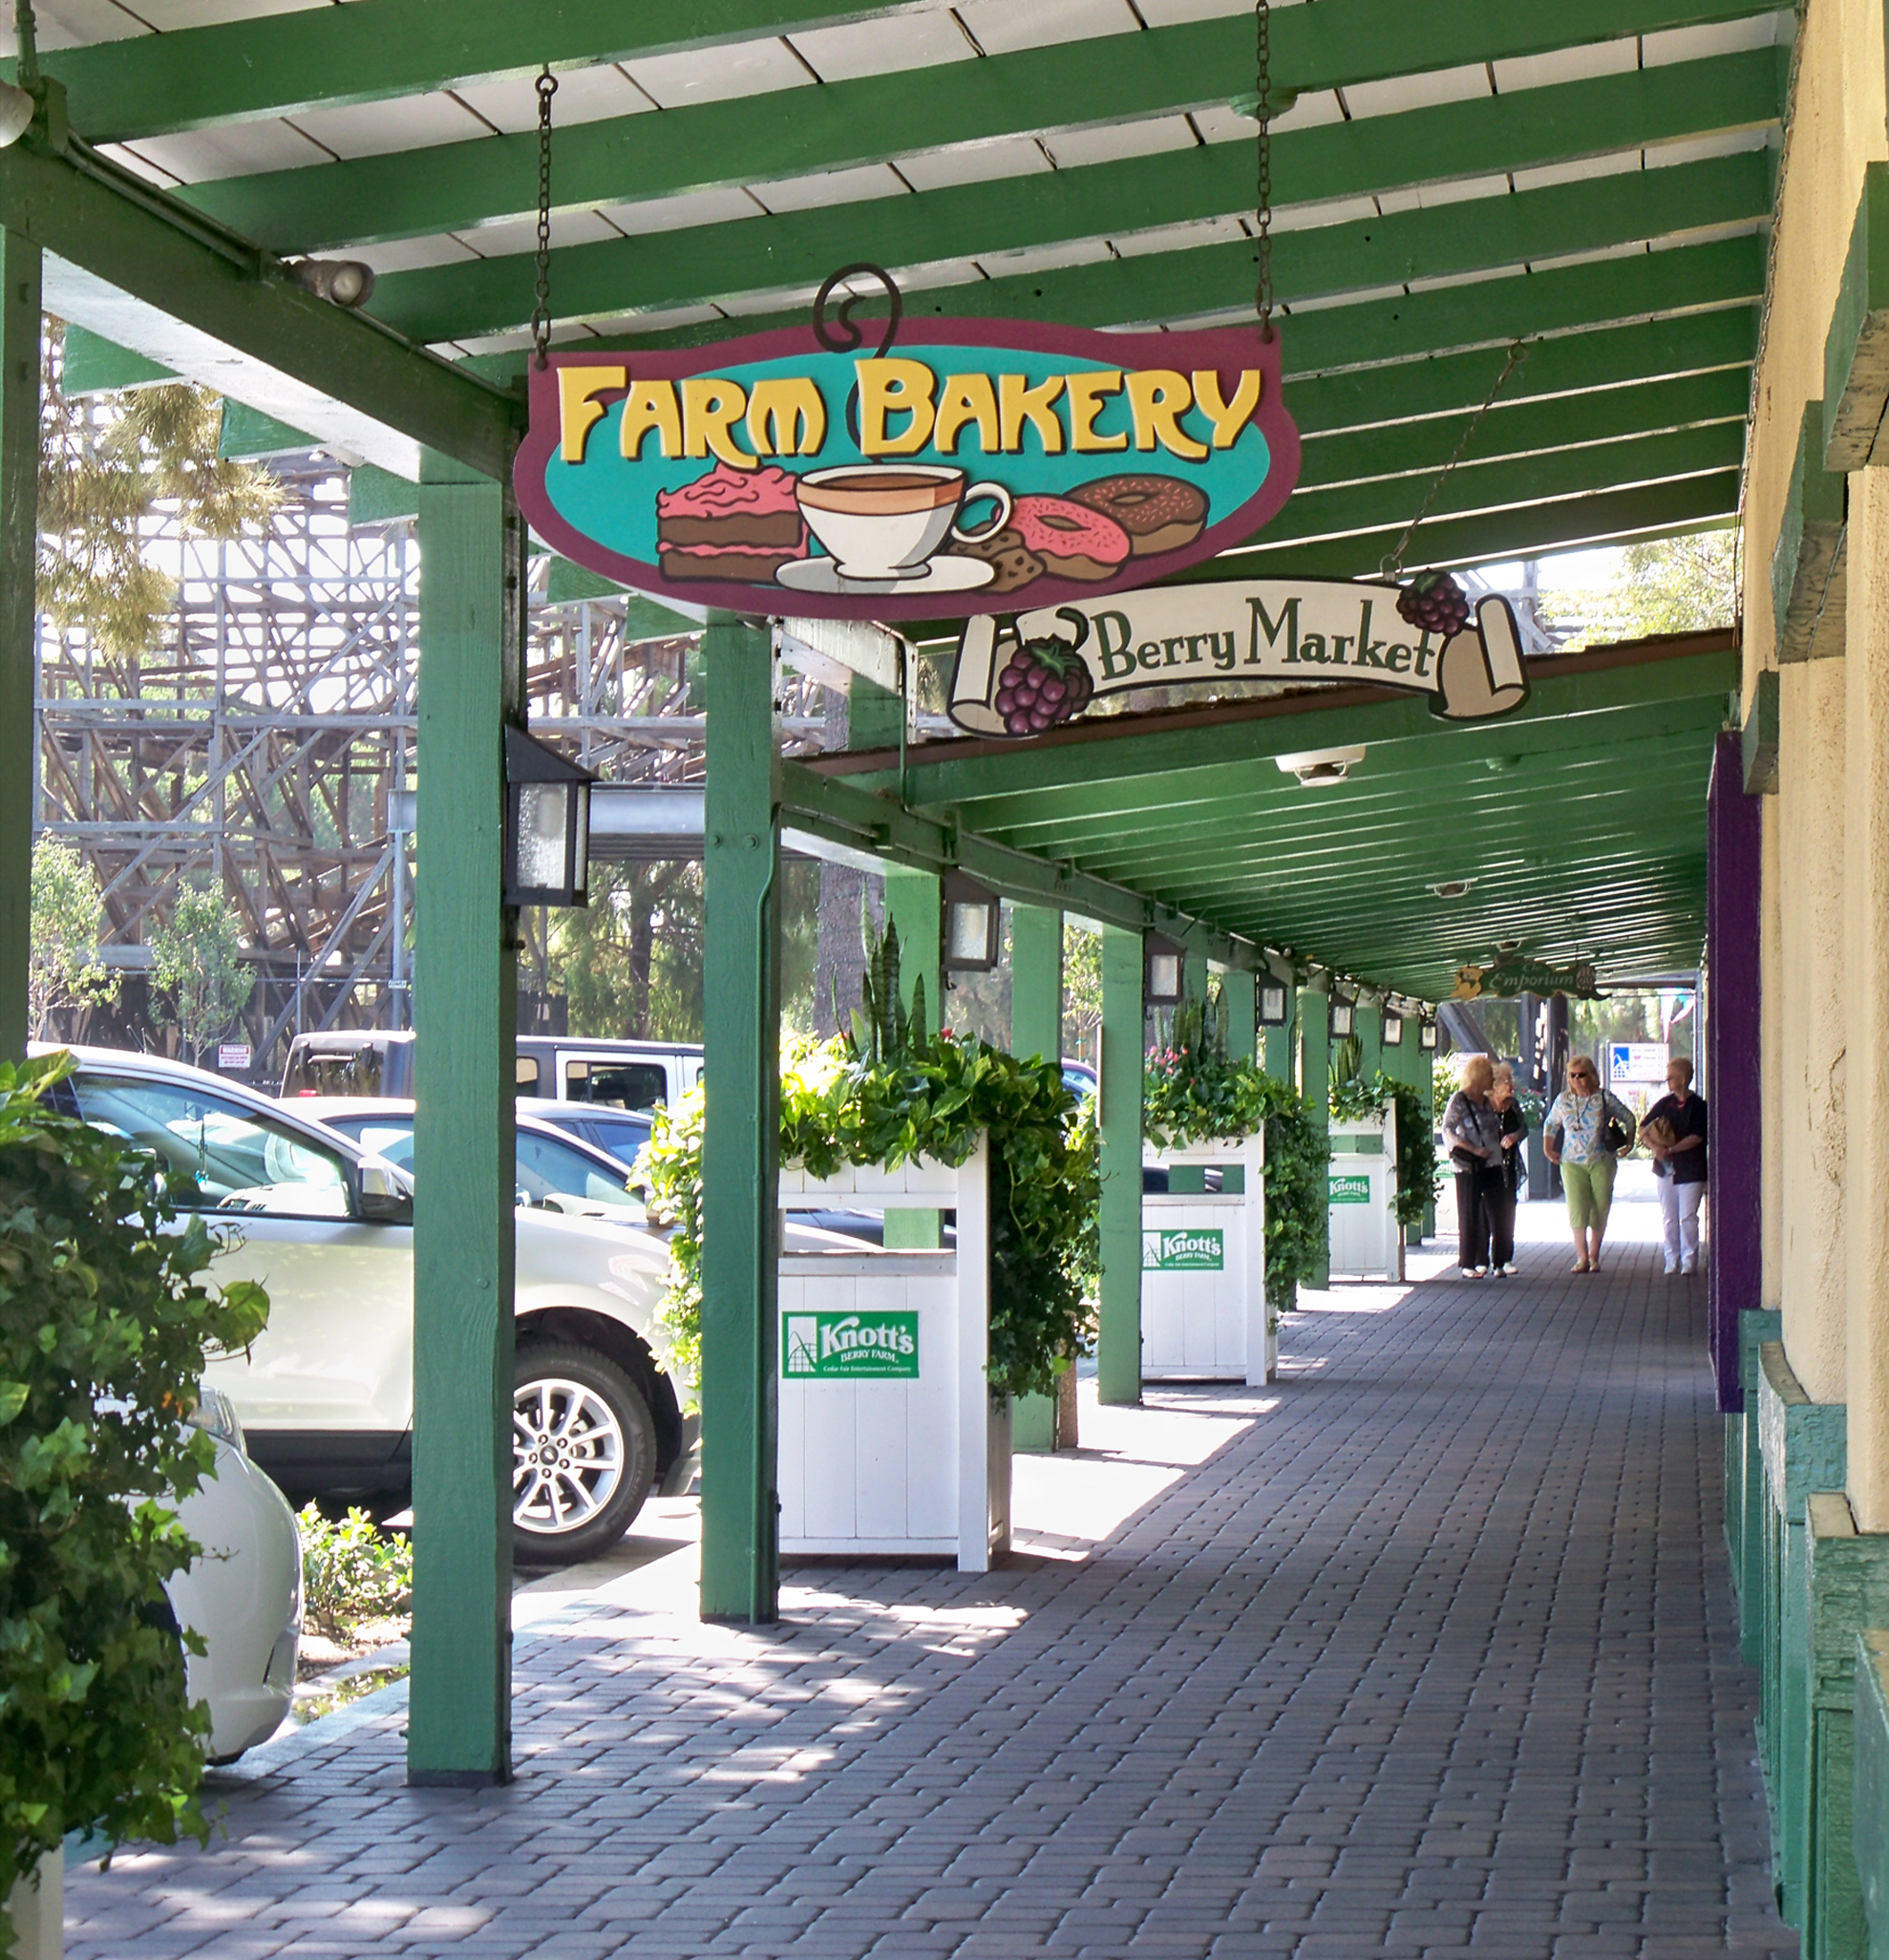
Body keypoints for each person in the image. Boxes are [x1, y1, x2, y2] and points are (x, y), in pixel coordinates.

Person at [1542, 1055, 1635, 1275]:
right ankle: (1582, 1258)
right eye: (1572, 1075)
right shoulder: (1563, 1100)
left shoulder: (1603, 1098)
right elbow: (1551, 1124)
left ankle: (1594, 1255)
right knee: (1577, 1208)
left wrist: (1629, 1144)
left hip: (1602, 1160)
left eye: (1581, 1075)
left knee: (1600, 1207)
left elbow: (1629, 1118)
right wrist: (1548, 1149)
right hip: (1571, 1162)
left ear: (1591, 1076)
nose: (1576, 1080)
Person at [1642, 1056, 1708, 1276]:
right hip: (1665, 1169)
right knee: (1669, 1218)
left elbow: (1698, 1136)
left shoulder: (1699, 1106)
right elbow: (1643, 1127)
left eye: (1671, 1077)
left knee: (1687, 1216)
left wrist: (1672, 1149)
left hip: (1692, 1168)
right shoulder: (1665, 1104)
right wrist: (1655, 1147)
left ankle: (1689, 1260)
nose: (1667, 1080)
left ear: (1683, 1078)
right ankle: (1671, 1259)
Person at [1441, 1055, 1505, 1277]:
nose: (1493, 1081)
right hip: (1469, 1165)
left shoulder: (1487, 1101)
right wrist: (1472, 1148)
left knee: (1499, 1212)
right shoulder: (1459, 1100)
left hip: (1493, 1162)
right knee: (1469, 1213)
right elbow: (1447, 1129)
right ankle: (1468, 1263)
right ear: (1479, 1076)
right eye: (1490, 1076)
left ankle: (1499, 1261)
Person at [1487, 1063, 1528, 1276]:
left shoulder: (1513, 1105)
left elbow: (1524, 1128)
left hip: (1509, 1164)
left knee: (1508, 1209)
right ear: (1494, 1085)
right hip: (1487, 1164)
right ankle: (1483, 1259)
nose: (1511, 1085)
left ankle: (1505, 1258)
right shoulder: (1484, 1106)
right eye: (1506, 1081)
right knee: (1486, 1211)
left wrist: (1514, 1137)